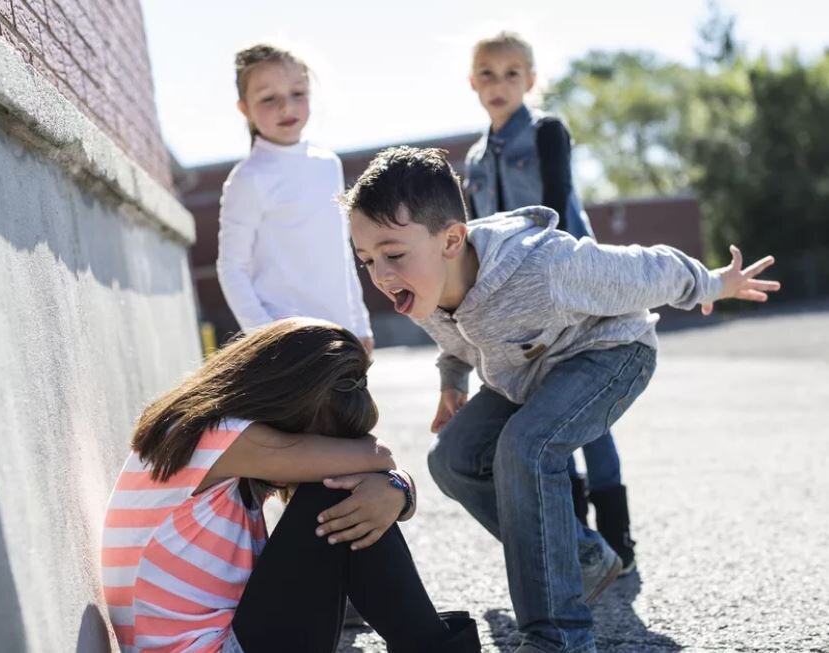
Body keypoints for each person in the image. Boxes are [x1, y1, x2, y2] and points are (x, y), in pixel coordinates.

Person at [343, 146, 779, 653]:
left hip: (611, 353)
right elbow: (456, 339)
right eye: (366, 260)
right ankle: (581, 557)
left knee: (525, 448)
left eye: (393, 255)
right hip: (527, 373)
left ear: (451, 240)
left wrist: (712, 283)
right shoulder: (424, 285)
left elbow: (646, 269)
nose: (380, 275)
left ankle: (560, 636)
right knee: (451, 459)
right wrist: (452, 383)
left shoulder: (543, 266)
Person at [101, 317, 481, 653]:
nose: (318, 457)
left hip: (226, 640)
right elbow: (378, 456)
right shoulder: (215, 436)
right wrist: (394, 484)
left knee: (346, 493)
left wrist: (397, 489)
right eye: (318, 442)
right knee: (335, 492)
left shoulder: (208, 437)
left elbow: (379, 466)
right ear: (286, 400)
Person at [464, 30, 633, 570]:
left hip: (571, 290)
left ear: (531, 80)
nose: (499, 84)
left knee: (588, 417)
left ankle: (618, 539)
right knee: (547, 416)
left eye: (512, 73)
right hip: (515, 305)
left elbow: (558, 205)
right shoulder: (474, 158)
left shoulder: (546, 132)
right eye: (488, 73)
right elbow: (476, 235)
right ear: (472, 82)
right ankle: (582, 545)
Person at [217, 44, 373, 354]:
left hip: (342, 336)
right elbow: (231, 268)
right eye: (268, 98)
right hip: (289, 345)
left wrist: (360, 324)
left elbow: (341, 252)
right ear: (244, 108)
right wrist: (267, 338)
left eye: (297, 93)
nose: (286, 107)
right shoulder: (249, 178)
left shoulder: (328, 165)